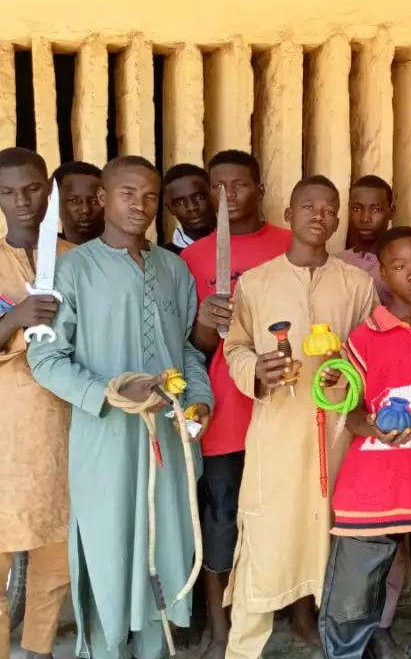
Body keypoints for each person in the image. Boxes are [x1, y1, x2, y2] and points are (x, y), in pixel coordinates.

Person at [29, 155, 213, 659]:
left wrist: (199, 401)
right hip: (104, 440)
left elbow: (187, 351)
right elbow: (45, 358)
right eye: (128, 193)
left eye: (150, 196)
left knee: (165, 547)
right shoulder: (73, 269)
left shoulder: (174, 269)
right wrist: (107, 393)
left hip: (168, 441)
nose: (140, 205)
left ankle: (155, 650)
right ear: (103, 198)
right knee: (108, 550)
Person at [222, 175, 378, 659]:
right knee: (265, 540)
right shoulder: (256, 282)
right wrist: (257, 369)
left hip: (338, 437)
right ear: (289, 216)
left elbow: (372, 355)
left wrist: (346, 374)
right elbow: (235, 347)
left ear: (337, 220)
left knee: (332, 540)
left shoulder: (356, 284)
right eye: (309, 207)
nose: (319, 215)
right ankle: (243, 650)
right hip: (277, 435)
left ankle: (337, 641)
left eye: (329, 209)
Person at [319, 226, 411, 659]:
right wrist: (372, 427)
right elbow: (350, 414)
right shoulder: (364, 337)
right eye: (400, 266)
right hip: (372, 488)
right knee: (352, 602)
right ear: (382, 273)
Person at [180, 149, 291, 659]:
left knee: (285, 513)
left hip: (282, 408)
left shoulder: (289, 245)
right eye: (217, 187)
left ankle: (297, 613)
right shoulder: (195, 258)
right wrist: (206, 323)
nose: (227, 195)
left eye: (239, 184)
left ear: (260, 189)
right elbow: (192, 349)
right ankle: (221, 625)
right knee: (221, 517)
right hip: (224, 411)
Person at [0, 148, 73, 659]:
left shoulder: (79, 259)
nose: (22, 201)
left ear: (49, 190)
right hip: (6, 435)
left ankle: (40, 649)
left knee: (56, 556)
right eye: (8, 192)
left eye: (31, 189)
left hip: (66, 427)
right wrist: (16, 317)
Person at [339, 174, 397, 306]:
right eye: (356, 208)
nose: (365, 218)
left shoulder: (401, 266)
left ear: (391, 211)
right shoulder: (335, 263)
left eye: (376, 209)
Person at [163, 163, 216, 255]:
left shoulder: (240, 241)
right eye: (179, 203)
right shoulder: (165, 257)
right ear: (170, 209)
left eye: (199, 197)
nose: (192, 207)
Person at [52, 160, 104, 245]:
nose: (85, 210)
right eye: (74, 201)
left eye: (95, 201)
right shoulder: (43, 250)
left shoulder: (124, 249)